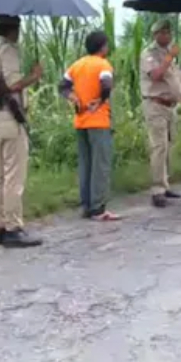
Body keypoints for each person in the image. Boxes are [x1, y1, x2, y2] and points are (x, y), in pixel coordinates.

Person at [0, 14, 43, 247]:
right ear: (14, 29)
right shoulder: (9, 51)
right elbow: (13, 85)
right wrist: (33, 77)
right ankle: (13, 228)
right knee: (14, 174)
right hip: (9, 117)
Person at [60, 30, 121, 221]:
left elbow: (62, 86)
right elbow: (106, 84)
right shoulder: (103, 64)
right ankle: (98, 208)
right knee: (100, 164)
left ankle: (86, 205)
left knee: (86, 164)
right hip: (99, 120)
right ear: (102, 46)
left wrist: (74, 99)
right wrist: (100, 100)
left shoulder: (77, 65)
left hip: (81, 120)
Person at [139, 19, 181, 208]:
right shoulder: (149, 54)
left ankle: (165, 184)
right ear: (155, 34)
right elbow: (155, 75)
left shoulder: (169, 53)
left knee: (168, 145)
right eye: (163, 32)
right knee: (159, 146)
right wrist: (168, 59)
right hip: (155, 104)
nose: (167, 35)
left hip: (170, 106)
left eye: (169, 32)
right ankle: (157, 190)